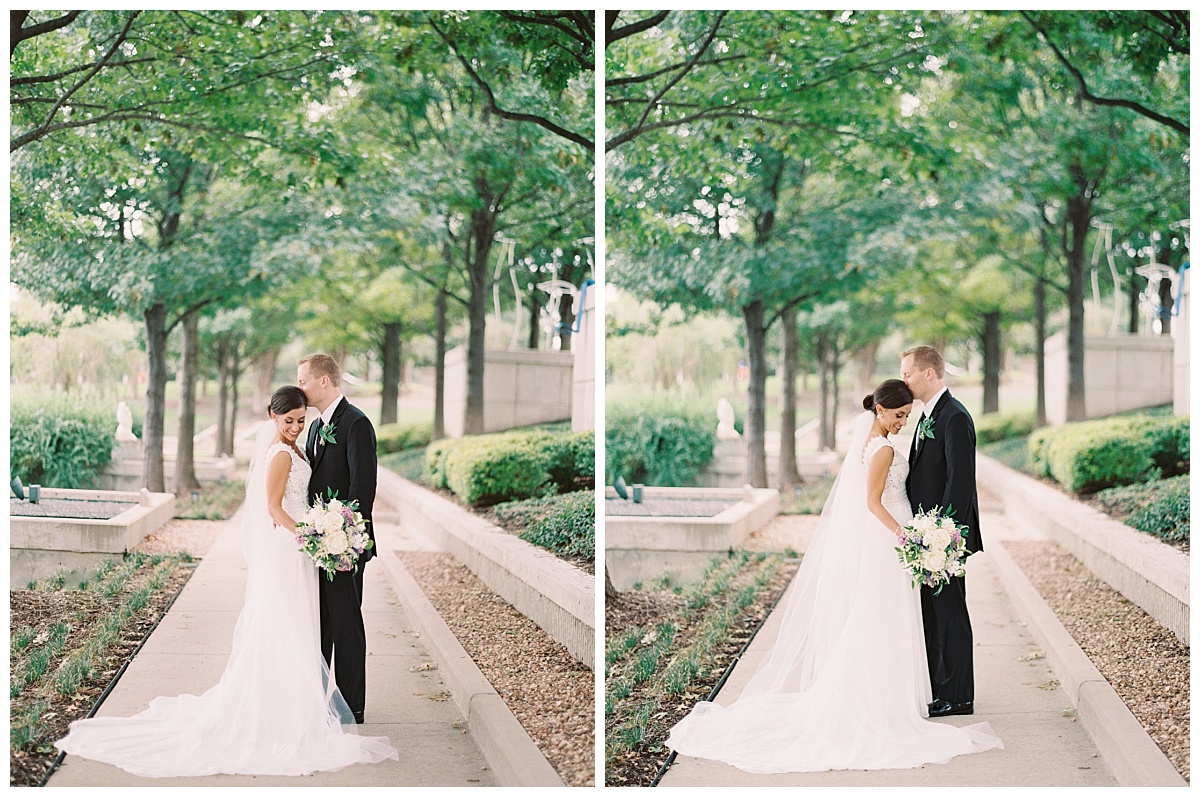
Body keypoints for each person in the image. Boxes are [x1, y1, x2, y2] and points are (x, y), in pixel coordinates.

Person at [54, 386, 397, 776]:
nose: (296, 427)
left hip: (300, 551)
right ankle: (282, 705)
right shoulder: (281, 453)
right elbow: (272, 506)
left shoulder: (301, 445)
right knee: (285, 623)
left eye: (301, 421)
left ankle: (298, 699)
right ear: (272, 416)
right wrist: (311, 535)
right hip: (293, 548)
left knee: (301, 627)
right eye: (288, 421)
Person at [665, 379, 1001, 773]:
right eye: (898, 415)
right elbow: (873, 504)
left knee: (888, 620)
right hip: (890, 541)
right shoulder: (882, 449)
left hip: (897, 540)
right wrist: (907, 536)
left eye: (906, 417)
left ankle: (894, 695)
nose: (901, 422)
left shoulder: (882, 442)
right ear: (879, 411)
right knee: (877, 619)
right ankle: (875, 698)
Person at [901, 344, 981, 718]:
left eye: (908, 373)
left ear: (928, 373)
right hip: (928, 538)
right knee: (933, 616)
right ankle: (940, 688)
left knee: (950, 615)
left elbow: (960, 483)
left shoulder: (954, 417)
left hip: (944, 539)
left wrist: (944, 538)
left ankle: (960, 695)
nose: (905, 380)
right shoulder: (928, 415)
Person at [297, 354, 377, 725]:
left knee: (346, 624)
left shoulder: (356, 424)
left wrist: (346, 539)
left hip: (345, 544)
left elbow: (363, 486)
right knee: (322, 624)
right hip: (319, 542)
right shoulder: (314, 427)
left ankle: (351, 706)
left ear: (324, 381)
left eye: (304, 381)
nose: (300, 388)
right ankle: (323, 702)